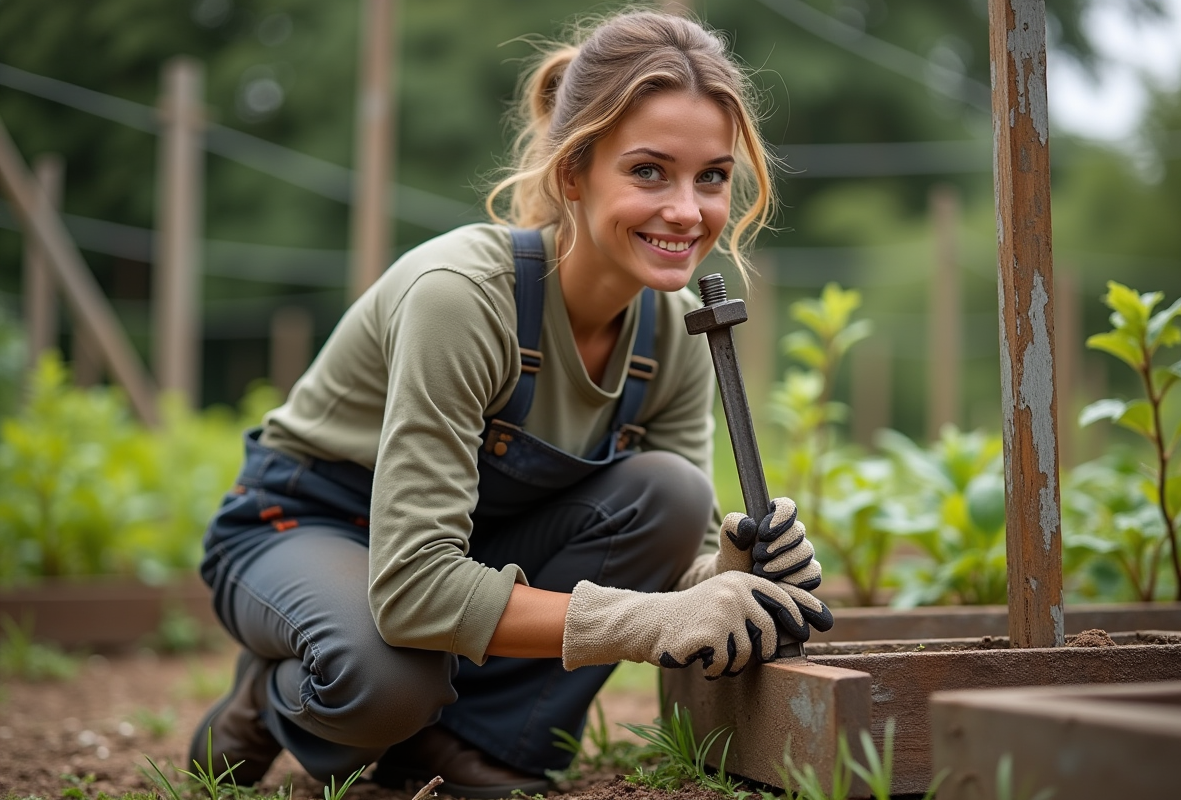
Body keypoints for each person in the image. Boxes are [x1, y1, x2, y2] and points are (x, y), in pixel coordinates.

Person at [191, 9, 833, 799]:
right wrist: (655, 624)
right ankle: (267, 696)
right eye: (648, 171)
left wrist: (730, 571)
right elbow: (415, 588)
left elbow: (671, 551)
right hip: (308, 521)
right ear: (573, 174)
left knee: (671, 492)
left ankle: (459, 749)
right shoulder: (461, 297)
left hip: (467, 542)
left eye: (712, 176)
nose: (687, 211)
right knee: (384, 677)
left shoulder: (670, 330)